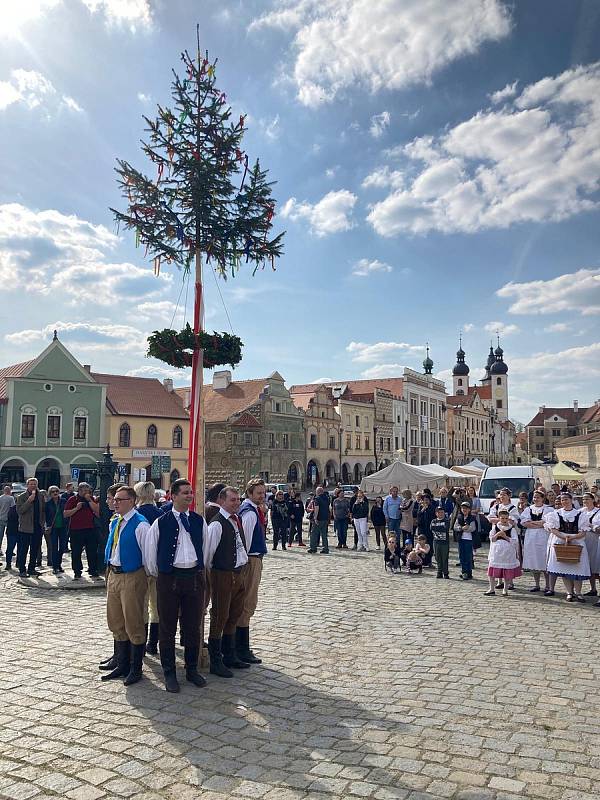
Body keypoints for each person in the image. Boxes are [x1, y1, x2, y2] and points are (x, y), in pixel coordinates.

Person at [143, 479, 207, 692]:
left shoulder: (198, 521)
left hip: (193, 577)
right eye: (185, 493)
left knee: (192, 626)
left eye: (191, 492)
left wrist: (198, 569)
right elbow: (150, 556)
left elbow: (205, 549)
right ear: (173, 496)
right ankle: (169, 672)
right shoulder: (161, 522)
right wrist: (163, 573)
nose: (190, 496)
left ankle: (191, 670)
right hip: (169, 578)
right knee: (167, 627)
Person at [101, 486, 151, 686]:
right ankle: (121, 663)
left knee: (134, 621)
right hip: (114, 573)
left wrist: (145, 578)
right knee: (115, 620)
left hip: (132, 575)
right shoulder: (117, 522)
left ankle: (135, 668)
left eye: (120, 500)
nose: (115, 502)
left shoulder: (140, 525)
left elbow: (148, 556)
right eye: (115, 500)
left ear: (132, 501)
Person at [204, 486, 251, 678]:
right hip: (223, 574)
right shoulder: (216, 524)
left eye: (238, 500)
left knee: (234, 613)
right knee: (220, 615)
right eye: (232, 500)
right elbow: (208, 555)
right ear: (222, 501)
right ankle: (216, 660)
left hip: (239, 572)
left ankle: (229, 654)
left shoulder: (236, 519)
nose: (237, 503)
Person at [236, 478, 268, 664]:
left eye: (263, 493)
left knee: (246, 604)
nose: (262, 496)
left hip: (253, 559)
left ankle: (241, 646)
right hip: (250, 560)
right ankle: (241, 648)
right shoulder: (249, 514)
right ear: (249, 493)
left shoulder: (252, 510)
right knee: (247, 604)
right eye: (258, 493)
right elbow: (245, 541)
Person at [545, 492, 590, 602]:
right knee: (564, 568)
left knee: (577, 568)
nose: (564, 501)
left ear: (572, 500)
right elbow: (553, 530)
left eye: (566, 499)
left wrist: (572, 538)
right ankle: (569, 592)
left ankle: (578, 593)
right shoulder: (555, 514)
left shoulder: (580, 514)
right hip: (561, 542)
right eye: (562, 500)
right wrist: (563, 537)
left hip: (577, 542)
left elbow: (583, 532)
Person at [134, 481, 163, 656]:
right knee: (156, 606)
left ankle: (141, 644)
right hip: (157, 566)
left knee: (142, 606)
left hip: (140, 566)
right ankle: (153, 643)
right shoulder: (160, 513)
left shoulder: (136, 515)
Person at [64, 482, 101, 580]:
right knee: (76, 552)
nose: (86, 492)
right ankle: (77, 571)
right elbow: (66, 514)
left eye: (87, 491)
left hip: (90, 529)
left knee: (92, 551)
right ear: (79, 491)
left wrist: (89, 500)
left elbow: (98, 513)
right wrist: (76, 508)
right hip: (76, 530)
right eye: (84, 491)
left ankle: (93, 569)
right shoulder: (73, 499)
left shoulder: (91, 499)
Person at [520, 489, 551, 593]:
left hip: (544, 536)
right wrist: (539, 523)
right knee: (533, 560)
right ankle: (537, 584)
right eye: (534, 497)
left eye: (538, 497)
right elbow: (524, 523)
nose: (536, 499)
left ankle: (548, 585)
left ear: (543, 498)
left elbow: (547, 522)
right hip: (531, 537)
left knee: (544, 560)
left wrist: (533, 523)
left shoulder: (548, 509)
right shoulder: (528, 509)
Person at [485, 509, 521, 597]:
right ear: (499, 518)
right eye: (502, 518)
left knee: (506, 571)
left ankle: (505, 589)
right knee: (492, 570)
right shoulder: (495, 527)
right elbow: (491, 539)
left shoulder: (511, 529)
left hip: (507, 553)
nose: (504, 520)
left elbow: (515, 541)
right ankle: (491, 588)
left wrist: (505, 536)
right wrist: (497, 535)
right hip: (496, 552)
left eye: (506, 518)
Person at [16, 478, 46, 578]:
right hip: (25, 527)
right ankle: (22, 570)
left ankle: (31, 568)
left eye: (35, 484)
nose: (33, 486)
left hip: (37, 527)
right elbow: (20, 511)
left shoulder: (41, 496)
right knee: (23, 550)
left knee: (35, 549)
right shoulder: (22, 497)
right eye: (31, 484)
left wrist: (42, 523)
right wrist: (29, 500)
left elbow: (43, 511)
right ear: (27, 485)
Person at [579, 492, 600, 601]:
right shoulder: (580, 512)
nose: (585, 501)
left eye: (587, 498)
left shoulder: (598, 512)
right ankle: (593, 589)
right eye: (583, 499)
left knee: (597, 566)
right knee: (589, 565)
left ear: (593, 500)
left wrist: (591, 525)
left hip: (595, 541)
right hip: (583, 540)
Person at [45, 486, 68, 575]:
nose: (55, 493)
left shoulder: (63, 501)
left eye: (56, 491)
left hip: (63, 527)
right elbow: (47, 516)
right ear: (50, 493)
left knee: (62, 547)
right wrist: (48, 526)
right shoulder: (48, 504)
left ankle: (59, 564)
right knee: (54, 547)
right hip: (53, 528)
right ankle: (55, 567)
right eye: (53, 492)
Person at [454, 500, 476, 580]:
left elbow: (472, 528)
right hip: (461, 539)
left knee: (468, 557)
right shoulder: (459, 517)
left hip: (469, 540)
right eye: (463, 508)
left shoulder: (472, 518)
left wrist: (465, 528)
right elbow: (455, 527)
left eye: (466, 508)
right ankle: (464, 572)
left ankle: (468, 572)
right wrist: (462, 528)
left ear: (469, 509)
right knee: (462, 556)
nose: (464, 510)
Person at [431, 505, 450, 579]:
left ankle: (445, 573)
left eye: (442, 512)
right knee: (437, 557)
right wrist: (440, 528)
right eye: (439, 512)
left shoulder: (446, 520)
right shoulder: (433, 521)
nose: (441, 514)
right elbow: (432, 528)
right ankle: (439, 572)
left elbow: (445, 529)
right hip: (436, 542)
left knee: (444, 558)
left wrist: (438, 528)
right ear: (436, 513)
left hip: (444, 542)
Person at [309, 487, 330, 554]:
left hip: (319, 518)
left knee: (314, 533)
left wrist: (315, 518)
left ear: (318, 492)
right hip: (325, 518)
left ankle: (313, 548)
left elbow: (316, 508)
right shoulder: (327, 498)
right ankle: (325, 548)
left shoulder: (317, 499)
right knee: (324, 534)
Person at [416, 494, 436, 562]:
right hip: (422, 529)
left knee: (429, 544)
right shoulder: (420, 507)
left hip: (429, 529)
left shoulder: (432, 507)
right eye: (424, 500)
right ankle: (420, 561)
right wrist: (422, 510)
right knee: (421, 544)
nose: (426, 501)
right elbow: (418, 516)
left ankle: (429, 561)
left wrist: (427, 509)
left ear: (429, 501)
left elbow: (433, 517)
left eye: (427, 500)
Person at [0, 484, 15, 559]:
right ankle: (10, 550)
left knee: (0, 536)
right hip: (8, 519)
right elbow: (13, 508)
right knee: (10, 536)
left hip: (0, 518)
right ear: (10, 491)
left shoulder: (0, 498)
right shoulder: (11, 498)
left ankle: (0, 550)